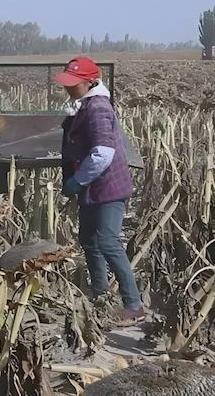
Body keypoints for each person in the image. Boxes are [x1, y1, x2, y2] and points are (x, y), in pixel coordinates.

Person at [55, 56, 144, 322]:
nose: (68, 88)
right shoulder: (85, 106)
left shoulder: (98, 108)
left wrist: (78, 180)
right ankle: (100, 294)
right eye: (67, 83)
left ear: (91, 82)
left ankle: (134, 304)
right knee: (89, 240)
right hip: (93, 189)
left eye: (74, 84)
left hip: (108, 189)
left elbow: (103, 153)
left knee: (107, 241)